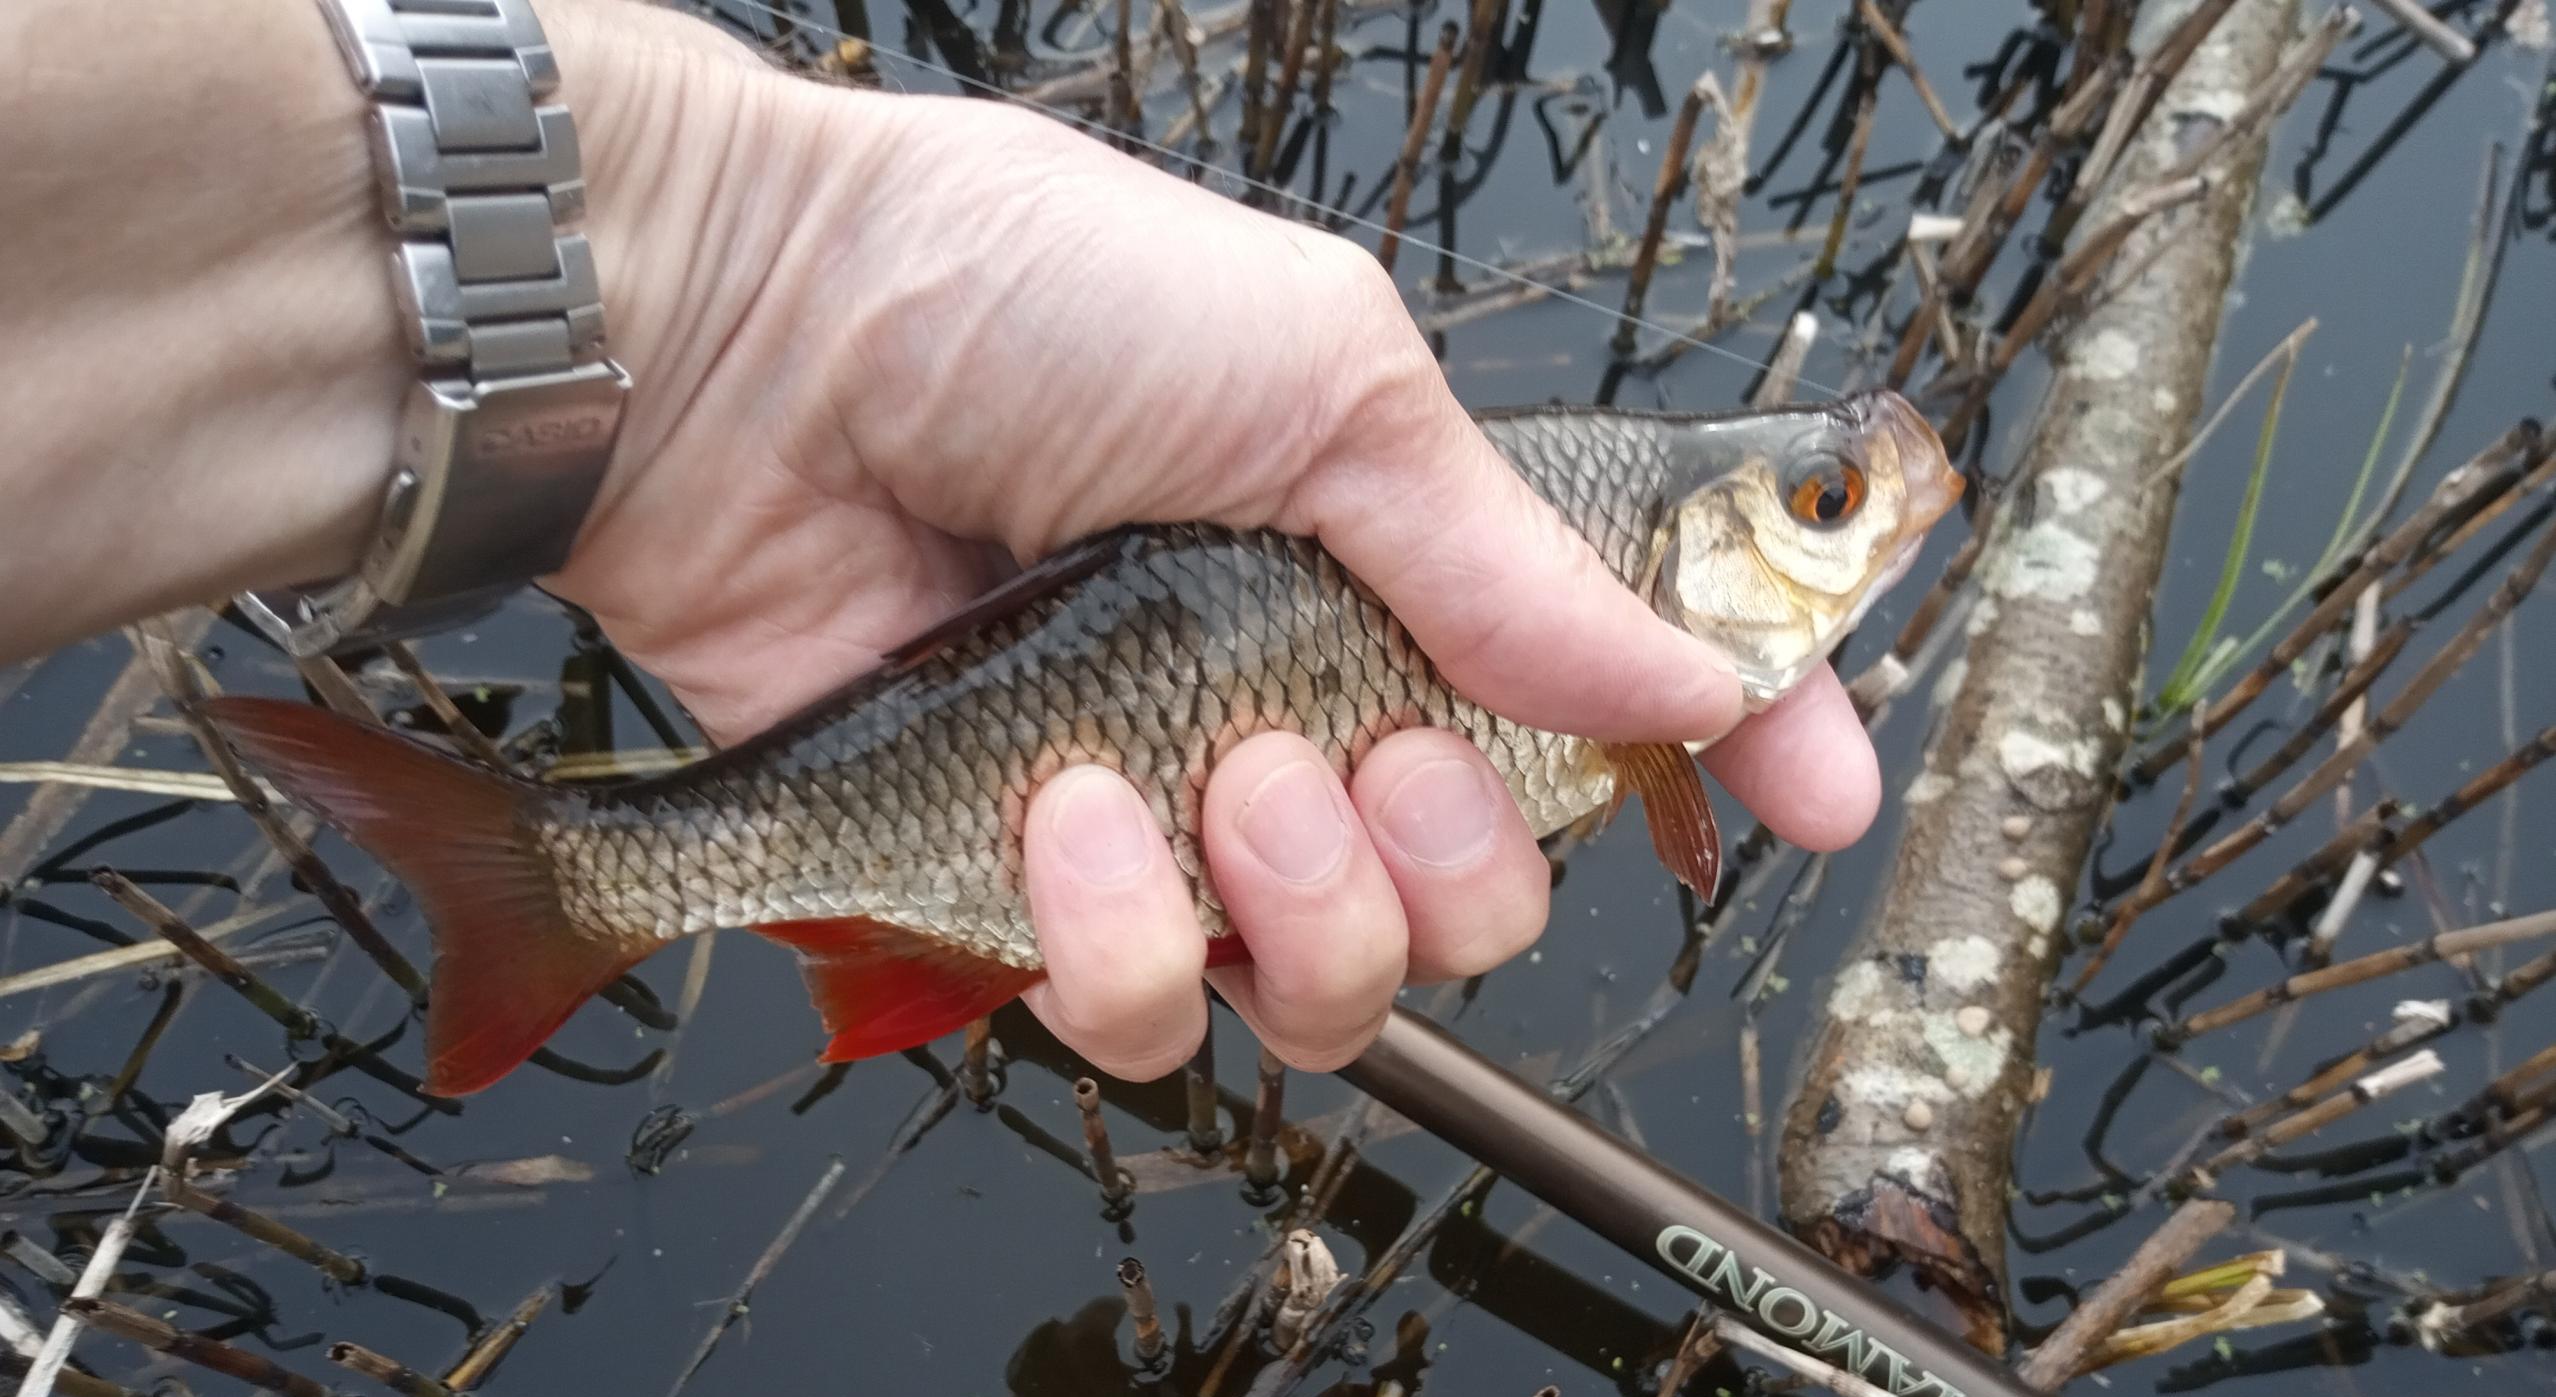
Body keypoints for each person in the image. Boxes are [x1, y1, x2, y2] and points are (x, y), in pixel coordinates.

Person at [1, 0, 1879, 1082]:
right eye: (1823, 499)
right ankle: (578, 878)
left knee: (1143, 899)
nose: (1855, 507)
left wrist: (725, 279)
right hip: (1021, 678)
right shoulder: (1622, 631)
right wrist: (735, 274)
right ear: (1683, 554)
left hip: (998, 684)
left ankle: (592, 876)